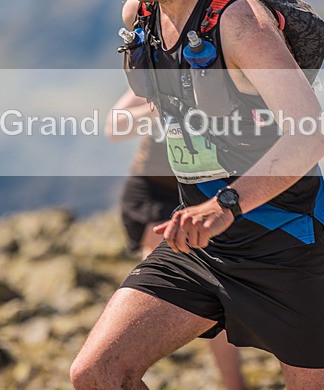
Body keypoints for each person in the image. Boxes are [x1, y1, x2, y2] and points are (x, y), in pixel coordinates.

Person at [72, 0, 324, 389]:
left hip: (285, 246)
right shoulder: (140, 15)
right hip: (198, 247)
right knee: (97, 373)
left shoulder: (241, 22)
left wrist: (225, 204)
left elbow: (312, 135)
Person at [104, 88, 248, 389]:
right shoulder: (161, 73)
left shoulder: (231, 72)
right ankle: (114, 372)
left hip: (212, 198)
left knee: (217, 294)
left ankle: (235, 385)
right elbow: (114, 127)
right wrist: (164, 106)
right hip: (155, 194)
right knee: (178, 288)